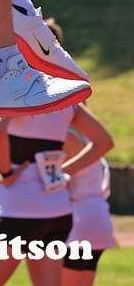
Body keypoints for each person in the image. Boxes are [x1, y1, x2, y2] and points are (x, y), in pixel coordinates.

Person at [0, 99, 113, 286]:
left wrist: (6, 171)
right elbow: (104, 142)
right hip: (74, 217)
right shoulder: (71, 118)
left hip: (34, 213)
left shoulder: (24, 99)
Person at [43, 19, 115, 286]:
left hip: (77, 222)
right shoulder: (84, 128)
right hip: (96, 219)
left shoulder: (68, 134)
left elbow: (54, 177)